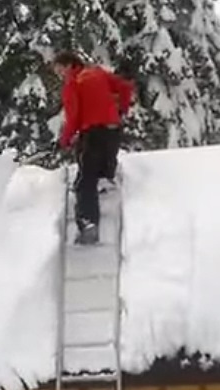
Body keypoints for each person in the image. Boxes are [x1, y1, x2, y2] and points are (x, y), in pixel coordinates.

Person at [53, 50, 134, 245]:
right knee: (104, 171)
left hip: (93, 134)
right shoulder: (98, 73)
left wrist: (64, 140)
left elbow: (73, 117)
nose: (60, 76)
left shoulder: (73, 84)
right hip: (113, 130)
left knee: (84, 181)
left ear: (70, 65)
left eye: (60, 71)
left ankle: (89, 224)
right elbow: (125, 87)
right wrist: (121, 110)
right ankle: (105, 185)